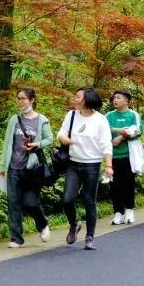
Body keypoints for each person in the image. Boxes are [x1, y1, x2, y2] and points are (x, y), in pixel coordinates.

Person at [57, 87, 114, 250]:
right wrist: (63, 138)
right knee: (67, 200)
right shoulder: (71, 115)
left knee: (89, 201)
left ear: (88, 99)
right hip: (73, 163)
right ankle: (74, 225)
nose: (75, 99)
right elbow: (61, 133)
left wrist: (108, 165)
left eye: (78, 97)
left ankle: (90, 237)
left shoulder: (100, 119)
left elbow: (106, 144)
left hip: (92, 164)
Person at [0, 88, 53, 248]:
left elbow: (49, 139)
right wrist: (3, 165)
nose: (20, 101)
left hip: (31, 169)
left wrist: (37, 144)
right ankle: (16, 238)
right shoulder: (14, 119)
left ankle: (42, 224)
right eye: (18, 98)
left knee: (30, 203)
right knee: (13, 203)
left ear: (32, 100)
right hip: (14, 167)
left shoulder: (42, 120)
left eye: (23, 98)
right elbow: (7, 143)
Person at [106, 90, 141, 224]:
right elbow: (104, 129)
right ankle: (118, 213)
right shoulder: (109, 115)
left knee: (128, 184)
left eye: (118, 98)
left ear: (127, 101)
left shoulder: (133, 114)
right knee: (114, 185)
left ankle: (129, 210)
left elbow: (137, 130)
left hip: (129, 155)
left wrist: (121, 137)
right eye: (114, 98)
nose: (115, 100)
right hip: (112, 156)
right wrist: (119, 130)